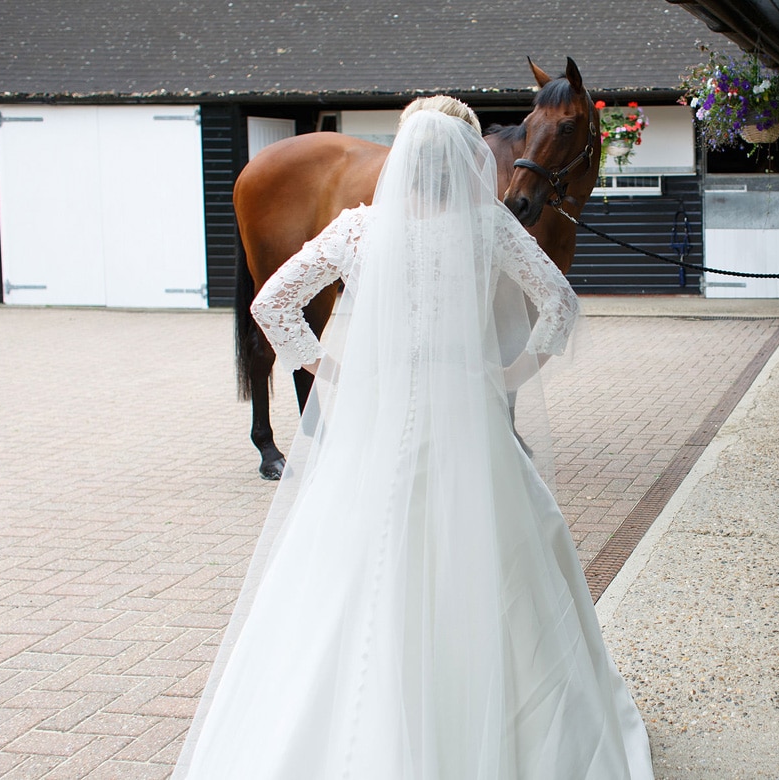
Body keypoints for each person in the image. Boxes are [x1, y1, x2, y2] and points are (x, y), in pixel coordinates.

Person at [171, 96, 654, 779]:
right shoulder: (491, 228)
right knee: (505, 565)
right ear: (467, 159)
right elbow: (561, 304)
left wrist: (330, 366)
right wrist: (510, 370)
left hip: (375, 434)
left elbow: (270, 301)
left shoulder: (360, 230)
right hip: (473, 429)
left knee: (351, 575)